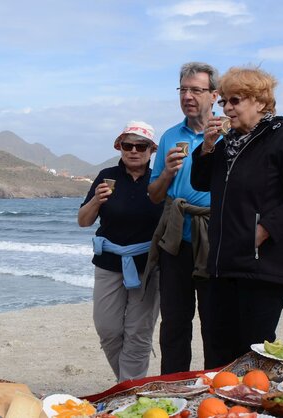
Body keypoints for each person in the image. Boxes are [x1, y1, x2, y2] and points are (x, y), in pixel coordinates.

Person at [191, 66, 283, 365]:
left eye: (235, 100)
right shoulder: (227, 144)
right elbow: (199, 182)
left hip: (264, 266)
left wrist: (265, 229)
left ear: (260, 102)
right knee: (218, 353)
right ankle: (222, 410)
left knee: (254, 354)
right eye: (224, 102)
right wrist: (207, 148)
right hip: (223, 264)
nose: (227, 108)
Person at [147, 62, 220, 374]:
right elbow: (154, 194)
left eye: (196, 90)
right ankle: (173, 390)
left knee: (216, 323)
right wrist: (167, 172)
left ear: (214, 95)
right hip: (176, 240)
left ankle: (218, 392)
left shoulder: (228, 132)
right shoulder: (169, 137)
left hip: (215, 237)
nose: (188, 96)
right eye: (183, 90)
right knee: (174, 323)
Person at [78, 121, 163, 382]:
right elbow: (83, 221)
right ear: (120, 147)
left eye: (141, 145)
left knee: (139, 332)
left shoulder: (160, 180)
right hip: (109, 261)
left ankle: (128, 389)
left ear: (151, 150)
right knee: (108, 328)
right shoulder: (106, 176)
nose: (134, 150)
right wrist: (96, 200)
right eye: (128, 145)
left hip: (148, 266)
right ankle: (128, 384)